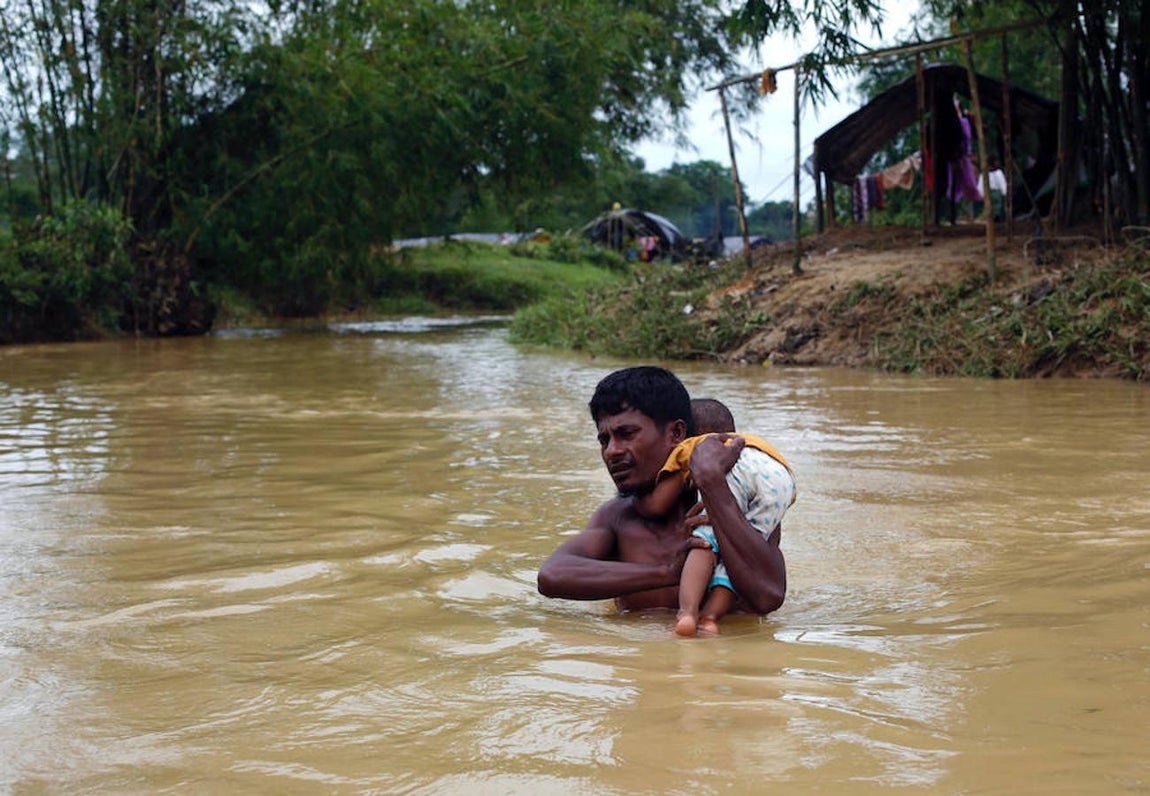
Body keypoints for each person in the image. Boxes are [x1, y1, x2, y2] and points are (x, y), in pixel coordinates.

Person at [536, 366, 789, 621]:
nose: (611, 451)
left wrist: (713, 485)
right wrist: (666, 573)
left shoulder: (746, 508)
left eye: (626, 434)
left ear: (677, 434)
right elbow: (552, 576)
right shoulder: (617, 517)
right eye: (604, 440)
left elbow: (767, 596)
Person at [632, 398, 795, 636]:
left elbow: (655, 505)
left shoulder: (697, 447)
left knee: (705, 540)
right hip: (781, 479)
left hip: (733, 478)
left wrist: (641, 500)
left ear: (680, 433)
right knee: (738, 553)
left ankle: (687, 614)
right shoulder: (753, 447)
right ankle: (710, 618)